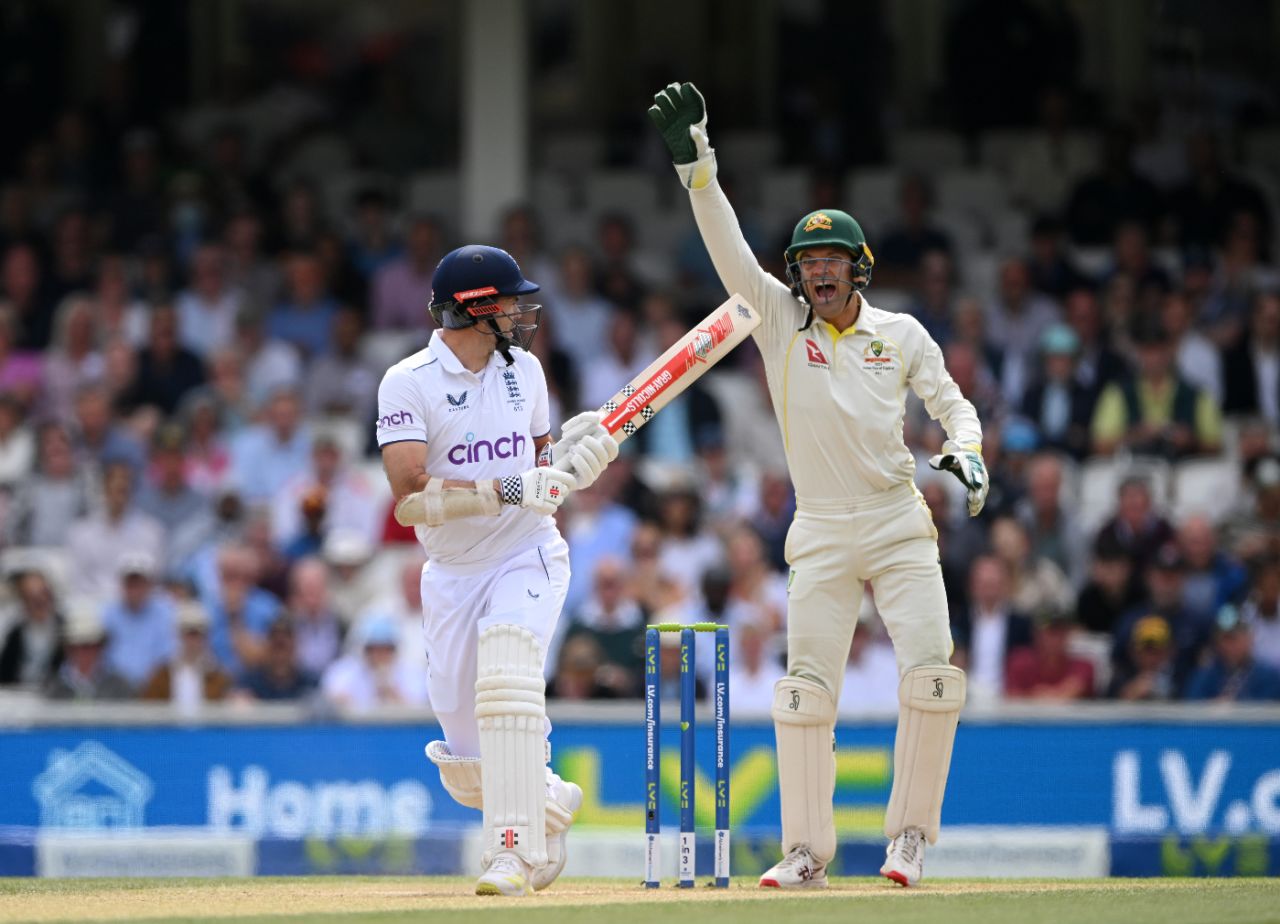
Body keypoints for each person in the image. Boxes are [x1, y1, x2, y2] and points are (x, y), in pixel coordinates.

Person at [649, 82, 988, 889]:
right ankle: (807, 853)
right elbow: (731, 251)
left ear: (859, 267)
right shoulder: (775, 321)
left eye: (832, 260)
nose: (819, 273)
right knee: (803, 695)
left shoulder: (899, 333)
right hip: (824, 527)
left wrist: (969, 449)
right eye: (807, 262)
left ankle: (907, 839)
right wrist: (700, 168)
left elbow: (951, 403)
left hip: (899, 521)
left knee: (935, 677)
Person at [376, 243, 617, 896]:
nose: (519, 311)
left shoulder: (527, 372)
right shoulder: (408, 381)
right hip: (452, 569)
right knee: (463, 749)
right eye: (508, 300)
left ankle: (510, 854)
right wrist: (508, 488)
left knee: (506, 674)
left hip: (527, 553)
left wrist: (573, 460)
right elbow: (408, 496)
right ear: (474, 308)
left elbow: (542, 467)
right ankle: (546, 797)